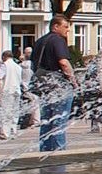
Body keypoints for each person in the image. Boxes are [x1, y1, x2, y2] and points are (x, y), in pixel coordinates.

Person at [31, 15, 77, 152]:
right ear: (55, 27)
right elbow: (63, 62)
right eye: (65, 27)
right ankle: (58, 153)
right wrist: (74, 81)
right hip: (59, 85)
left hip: (44, 85)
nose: (67, 30)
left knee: (46, 120)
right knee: (59, 121)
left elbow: (33, 63)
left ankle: (44, 152)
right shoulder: (58, 40)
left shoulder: (40, 41)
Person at [0, 48, 25, 140]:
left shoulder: (5, 65)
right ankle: (13, 131)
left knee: (6, 112)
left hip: (7, 90)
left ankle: (5, 133)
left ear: (4, 57)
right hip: (16, 90)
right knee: (15, 111)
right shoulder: (18, 66)